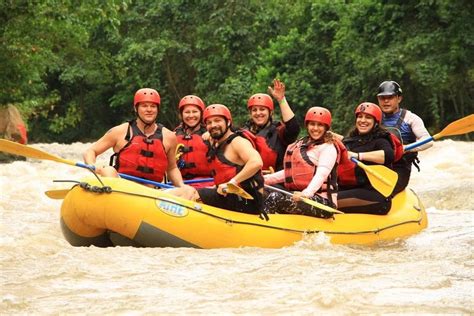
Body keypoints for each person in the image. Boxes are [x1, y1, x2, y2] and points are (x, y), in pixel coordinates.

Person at [83, 88, 195, 198]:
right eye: (144, 106)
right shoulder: (120, 131)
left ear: (157, 109)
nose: (149, 109)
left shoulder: (169, 137)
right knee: (108, 170)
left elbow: (171, 168)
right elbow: (91, 151)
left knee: (187, 191)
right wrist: (93, 165)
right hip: (123, 189)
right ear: (136, 108)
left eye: (153, 106)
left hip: (153, 193)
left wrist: (181, 186)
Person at [263, 107, 338, 218]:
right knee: (262, 190)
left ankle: (265, 229)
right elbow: (290, 173)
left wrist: (306, 193)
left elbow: (321, 174)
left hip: (322, 202)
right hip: (299, 195)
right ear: (307, 125)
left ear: (326, 127)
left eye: (320, 125)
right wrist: (264, 179)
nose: (315, 128)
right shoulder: (302, 144)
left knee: (275, 197)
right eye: (312, 124)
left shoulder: (328, 148)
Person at [196, 104, 264, 214]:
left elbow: (256, 162)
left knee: (190, 194)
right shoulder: (217, 144)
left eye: (217, 121)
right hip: (230, 198)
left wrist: (232, 182)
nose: (213, 125)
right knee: (186, 191)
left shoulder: (238, 142)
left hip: (247, 201)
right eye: (209, 123)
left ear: (228, 122)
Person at [337, 102, 398, 215]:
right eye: (360, 116)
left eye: (368, 117)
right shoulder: (351, 140)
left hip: (375, 195)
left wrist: (358, 156)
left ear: (376, 122)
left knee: (328, 200)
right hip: (350, 189)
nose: (363, 120)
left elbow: (389, 155)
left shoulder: (381, 140)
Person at [377, 80, 433, 194]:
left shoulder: (411, 118)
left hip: (400, 167)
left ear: (399, 98)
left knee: (383, 192)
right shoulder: (373, 117)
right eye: (382, 98)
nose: (386, 101)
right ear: (378, 99)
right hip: (376, 166)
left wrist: (406, 148)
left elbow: (428, 141)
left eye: (390, 97)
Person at [242, 79, 300, 172]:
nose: (258, 113)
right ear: (250, 114)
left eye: (262, 109)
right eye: (254, 110)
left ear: (270, 113)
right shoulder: (243, 134)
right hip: (249, 180)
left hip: (275, 182)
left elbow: (293, 128)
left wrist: (281, 100)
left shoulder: (279, 131)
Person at [174, 95, 213, 188]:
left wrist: (214, 137)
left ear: (201, 113)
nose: (191, 115)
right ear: (181, 114)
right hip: (181, 183)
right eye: (187, 112)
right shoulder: (174, 134)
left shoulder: (212, 133)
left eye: (195, 112)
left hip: (208, 182)